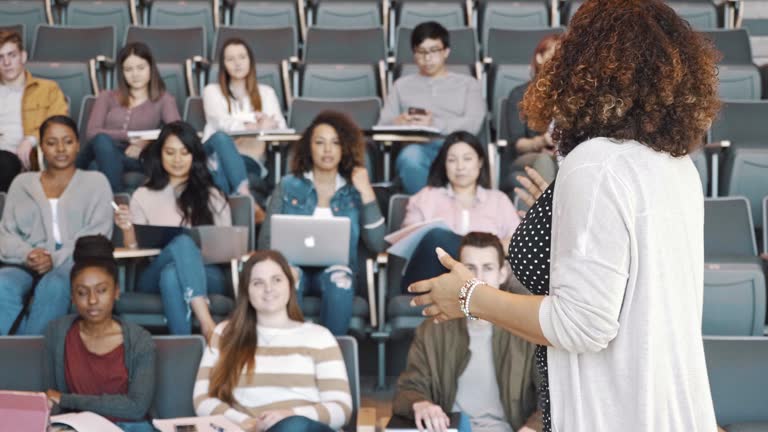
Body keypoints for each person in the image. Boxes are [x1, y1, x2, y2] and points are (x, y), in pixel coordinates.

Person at [408, 0, 723, 431]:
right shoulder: (675, 165)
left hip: (613, 412)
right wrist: (561, 212)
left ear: (585, 65)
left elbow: (582, 324)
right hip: (667, 408)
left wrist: (470, 297)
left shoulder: (596, 164)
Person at [394, 232, 541, 432]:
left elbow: (551, 398)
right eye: (470, 269)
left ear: (503, 273)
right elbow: (409, 388)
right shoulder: (433, 330)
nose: (478, 280)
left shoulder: (527, 331)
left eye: (487, 268)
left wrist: (532, 428)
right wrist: (421, 404)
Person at [193, 250, 352, 432]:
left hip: (302, 428)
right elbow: (202, 399)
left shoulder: (319, 336)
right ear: (246, 291)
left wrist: (290, 414)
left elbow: (341, 409)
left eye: (277, 280)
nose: (268, 289)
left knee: (293, 426)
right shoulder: (225, 333)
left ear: (290, 285)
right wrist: (243, 421)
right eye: (258, 283)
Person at [258, 111, 386, 335]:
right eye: (320, 142)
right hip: (292, 266)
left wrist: (366, 192)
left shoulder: (354, 190)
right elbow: (266, 241)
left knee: (341, 281)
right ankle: (289, 352)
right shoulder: (288, 186)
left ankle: (331, 357)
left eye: (335, 143)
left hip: (337, 269)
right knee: (288, 278)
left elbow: (377, 245)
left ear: (344, 148)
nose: (328, 150)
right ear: (309, 148)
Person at [78, 42, 248, 196]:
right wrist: (131, 137)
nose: (135, 74)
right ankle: (118, 199)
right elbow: (92, 132)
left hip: (141, 158)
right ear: (122, 73)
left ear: (150, 68)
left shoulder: (163, 99)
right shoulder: (106, 97)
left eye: (140, 67)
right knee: (101, 142)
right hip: (107, 152)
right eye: (128, 69)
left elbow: (178, 132)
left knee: (155, 156)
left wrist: (145, 143)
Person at [113, 121, 231, 340]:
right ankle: (207, 324)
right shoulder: (143, 194)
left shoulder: (212, 195)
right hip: (152, 272)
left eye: (184, 153)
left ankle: (183, 345)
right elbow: (133, 252)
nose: (177, 160)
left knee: (172, 275)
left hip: (207, 271)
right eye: (170, 152)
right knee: (181, 245)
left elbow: (227, 247)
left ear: (194, 156)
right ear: (160, 154)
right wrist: (127, 228)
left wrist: (194, 256)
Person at [0, 115, 112, 335]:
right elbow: (6, 234)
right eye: (51, 143)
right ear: (41, 146)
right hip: (26, 262)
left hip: (72, 262)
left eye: (68, 141)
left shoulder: (96, 182)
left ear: (78, 144)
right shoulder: (22, 183)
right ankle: (12, 357)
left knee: (54, 286)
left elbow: (97, 234)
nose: (60, 149)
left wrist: (55, 259)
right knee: (2, 285)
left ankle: (32, 361)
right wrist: (29, 255)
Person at [43, 235, 155, 432]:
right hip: (78, 427)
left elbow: (137, 408)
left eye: (101, 290)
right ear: (72, 296)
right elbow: (54, 398)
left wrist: (67, 399)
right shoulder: (58, 332)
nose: (92, 301)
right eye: (82, 292)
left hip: (128, 427)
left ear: (116, 292)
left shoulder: (140, 340)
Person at [398, 131, 520, 291]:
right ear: (444, 165)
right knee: (436, 237)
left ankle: (475, 282)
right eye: (452, 160)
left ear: (480, 162)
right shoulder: (426, 197)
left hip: (487, 283)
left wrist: (487, 251)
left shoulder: (498, 200)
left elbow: (516, 243)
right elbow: (410, 245)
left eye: (467, 159)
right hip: (432, 280)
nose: (460, 167)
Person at [378, 21, 486, 194]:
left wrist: (434, 124)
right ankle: (428, 211)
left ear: (446, 51)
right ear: (414, 54)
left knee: (460, 157)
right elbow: (382, 126)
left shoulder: (468, 84)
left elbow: (474, 124)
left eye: (434, 51)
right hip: (417, 148)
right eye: (421, 52)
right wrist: (399, 123)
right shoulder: (401, 85)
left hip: (454, 146)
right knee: (411, 157)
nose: (427, 58)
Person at [203, 37, 287, 218]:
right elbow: (221, 124)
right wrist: (256, 126)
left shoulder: (266, 93)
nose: (237, 63)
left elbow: (280, 127)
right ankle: (246, 197)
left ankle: (228, 209)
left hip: (248, 160)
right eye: (230, 59)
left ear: (250, 61)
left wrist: (264, 126)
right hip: (212, 154)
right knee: (220, 138)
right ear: (223, 64)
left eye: (242, 57)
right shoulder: (212, 91)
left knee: (218, 178)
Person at [0, 29, 68, 191]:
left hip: (17, 156)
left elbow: (59, 126)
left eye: (12, 55)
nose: (6, 63)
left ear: (23, 56)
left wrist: (31, 140)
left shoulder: (47, 89)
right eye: (0, 57)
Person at [500, 34, 562, 194]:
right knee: (544, 161)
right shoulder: (520, 94)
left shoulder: (571, 95)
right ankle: (547, 216)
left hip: (563, 153)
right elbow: (519, 144)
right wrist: (542, 141)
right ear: (540, 57)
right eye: (554, 54)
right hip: (529, 156)